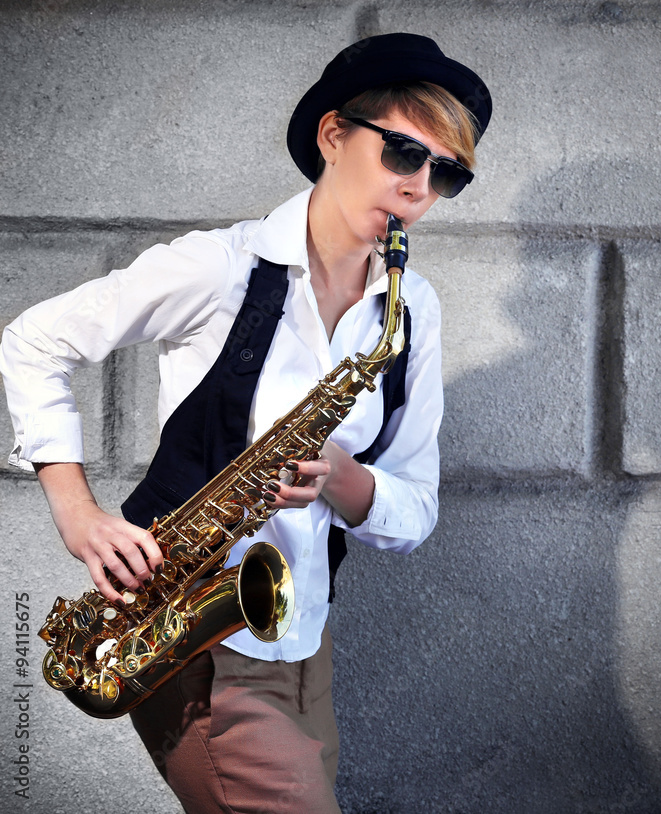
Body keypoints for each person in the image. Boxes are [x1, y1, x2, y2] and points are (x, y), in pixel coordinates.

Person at [0, 32, 492, 813]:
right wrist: (77, 512)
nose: (419, 187)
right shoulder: (219, 267)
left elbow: (416, 508)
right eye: (403, 152)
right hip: (190, 641)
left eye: (447, 173)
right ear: (333, 135)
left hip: (304, 642)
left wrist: (345, 480)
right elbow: (32, 341)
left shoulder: (410, 312)